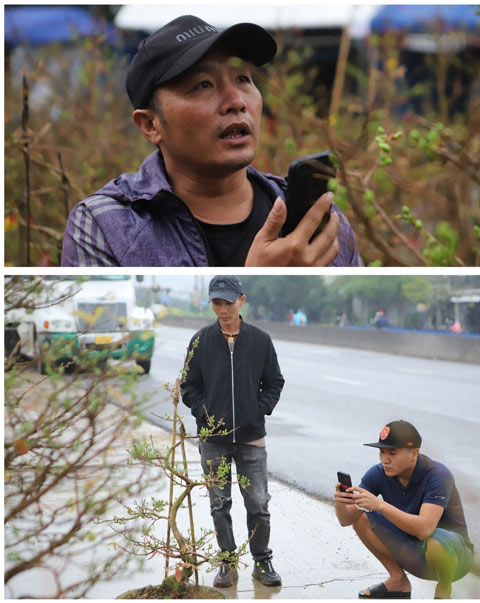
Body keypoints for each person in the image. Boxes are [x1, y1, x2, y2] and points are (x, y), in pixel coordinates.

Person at [61, 14, 362, 267]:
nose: (236, 101)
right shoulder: (106, 224)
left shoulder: (315, 218)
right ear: (151, 124)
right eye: (203, 85)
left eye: (243, 79)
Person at [181, 275, 285, 588]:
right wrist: (205, 413)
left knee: (258, 503)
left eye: (228, 302)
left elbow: (274, 382)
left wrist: (257, 410)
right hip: (213, 440)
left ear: (241, 299)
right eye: (217, 302)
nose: (223, 309)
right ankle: (227, 562)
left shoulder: (260, 340)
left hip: (251, 438)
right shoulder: (200, 341)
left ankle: (261, 561)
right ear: (210, 302)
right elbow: (189, 386)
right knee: (219, 504)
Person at [335, 421, 475, 599]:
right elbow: (346, 520)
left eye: (392, 453)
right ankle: (398, 580)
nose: (385, 459)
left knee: (437, 540)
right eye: (382, 452)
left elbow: (425, 529)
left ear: (414, 453)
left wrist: (380, 505)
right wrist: (341, 503)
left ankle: (444, 589)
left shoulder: (438, 475)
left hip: (453, 558)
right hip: (414, 552)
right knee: (362, 519)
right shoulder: (379, 473)